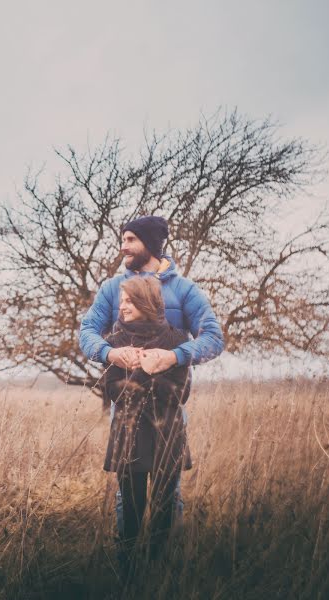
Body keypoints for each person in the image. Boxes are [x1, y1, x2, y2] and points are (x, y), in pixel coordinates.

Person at [78, 215, 224, 537]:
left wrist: (174, 356)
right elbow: (87, 331)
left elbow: (214, 339)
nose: (123, 246)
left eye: (130, 239)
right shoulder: (112, 288)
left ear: (151, 244)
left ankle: (165, 570)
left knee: (168, 496)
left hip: (168, 409)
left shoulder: (185, 290)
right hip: (127, 411)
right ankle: (129, 569)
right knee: (126, 499)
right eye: (123, 239)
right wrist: (109, 353)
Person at [102, 276, 192, 562]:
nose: (122, 306)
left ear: (146, 302)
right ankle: (127, 567)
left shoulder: (177, 340)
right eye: (122, 301)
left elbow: (181, 393)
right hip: (129, 433)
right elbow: (111, 390)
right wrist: (141, 371)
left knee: (165, 505)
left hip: (167, 434)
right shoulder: (115, 342)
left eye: (129, 301)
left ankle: (158, 564)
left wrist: (149, 369)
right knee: (130, 506)